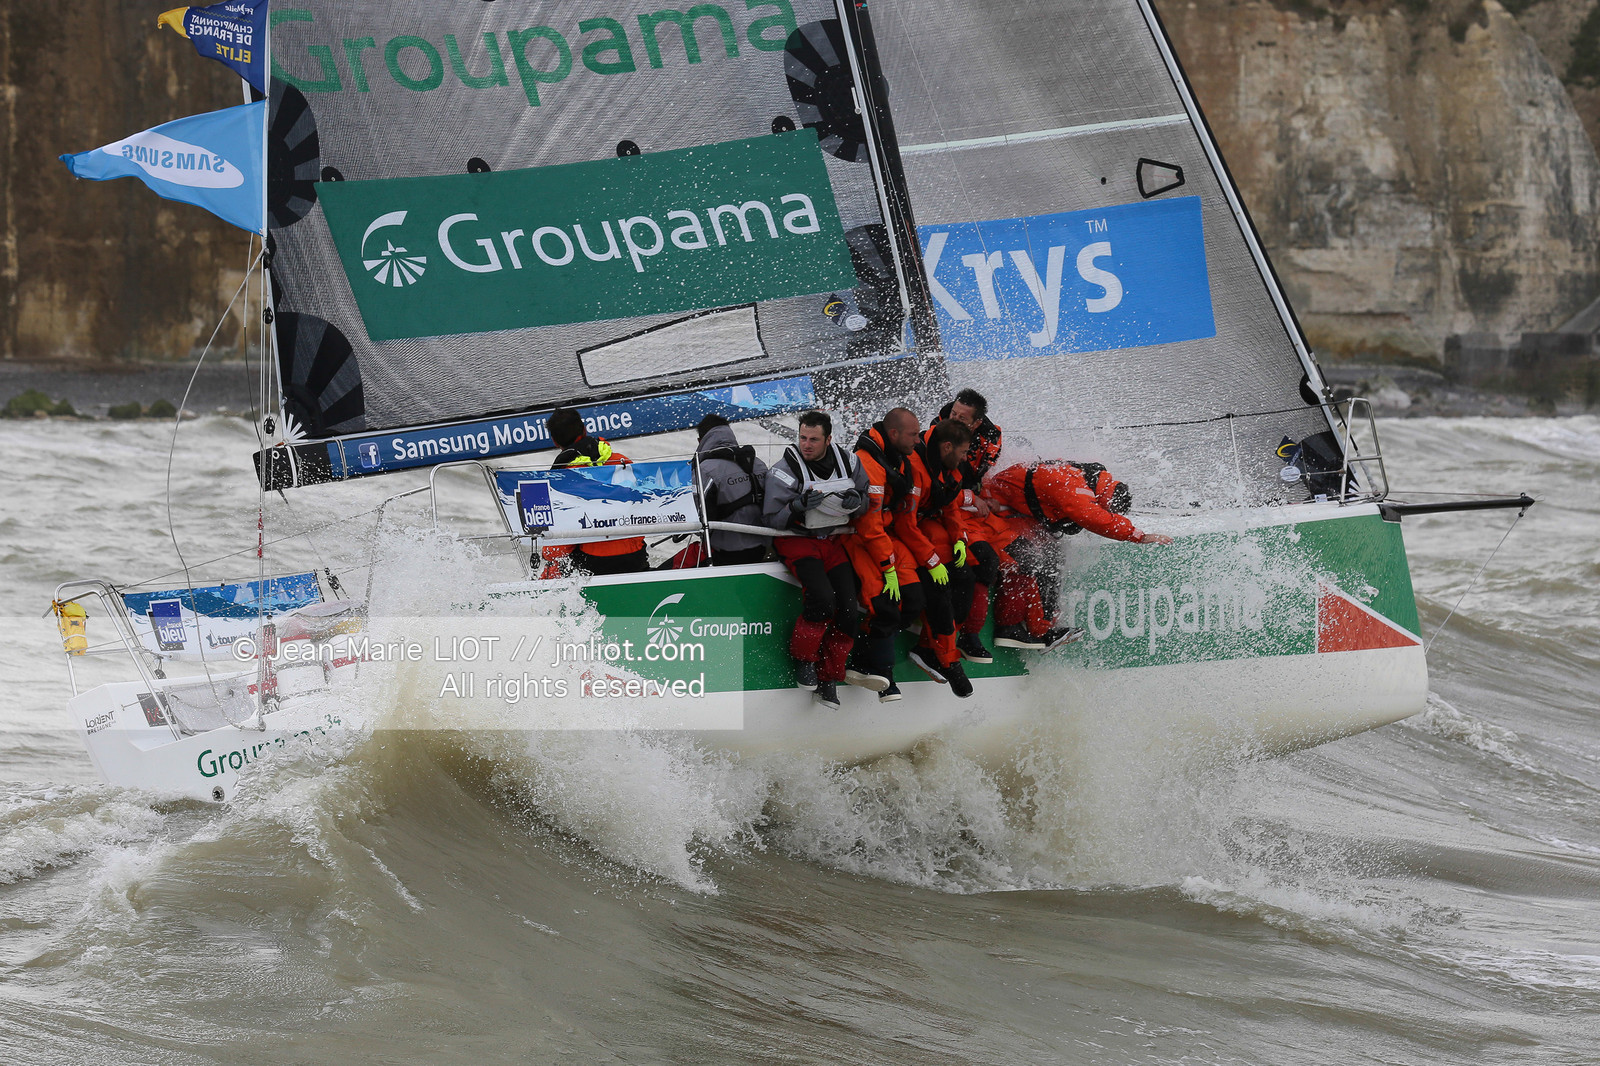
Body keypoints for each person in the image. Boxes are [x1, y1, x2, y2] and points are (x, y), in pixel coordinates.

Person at [983, 460, 1172, 649]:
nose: (1106, 513)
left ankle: (1044, 628)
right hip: (996, 505)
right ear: (1107, 501)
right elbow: (1092, 517)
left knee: (1052, 557)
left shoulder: (1087, 481)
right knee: (1031, 557)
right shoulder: (1075, 487)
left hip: (1015, 509)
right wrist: (1139, 535)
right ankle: (1014, 628)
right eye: (1109, 511)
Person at [762, 410, 870, 709]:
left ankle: (829, 677)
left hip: (832, 541)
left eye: (813, 439)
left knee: (849, 609)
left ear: (828, 439)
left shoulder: (850, 462)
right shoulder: (782, 471)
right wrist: (796, 506)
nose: (806, 445)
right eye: (802, 438)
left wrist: (858, 503)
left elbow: (867, 497)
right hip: (797, 542)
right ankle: (804, 661)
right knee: (822, 600)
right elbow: (770, 517)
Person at [845, 407, 930, 703]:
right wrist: (887, 565)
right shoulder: (869, 462)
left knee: (915, 599)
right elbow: (868, 525)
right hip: (860, 540)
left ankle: (865, 660)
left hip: (886, 538)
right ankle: (881, 671)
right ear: (893, 434)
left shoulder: (901, 460)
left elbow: (902, 514)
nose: (918, 441)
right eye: (913, 434)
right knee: (885, 602)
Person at [894, 418, 976, 697]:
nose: (966, 458)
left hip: (924, 528)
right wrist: (931, 561)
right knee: (938, 587)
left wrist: (960, 540)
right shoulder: (916, 469)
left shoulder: (951, 468)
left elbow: (952, 509)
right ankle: (949, 661)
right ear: (947, 447)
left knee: (965, 577)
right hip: (898, 532)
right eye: (964, 452)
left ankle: (931, 648)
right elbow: (905, 524)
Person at [543, 407, 648, 576]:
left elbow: (562, 541)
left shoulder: (562, 478)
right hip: (634, 557)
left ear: (555, 442)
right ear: (584, 430)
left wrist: (548, 554)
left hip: (594, 563)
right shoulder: (623, 462)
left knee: (555, 564)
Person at [692, 414, 770, 566]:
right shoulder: (758, 463)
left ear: (700, 441)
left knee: (670, 567)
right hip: (763, 547)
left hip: (726, 553)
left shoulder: (705, 470)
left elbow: (699, 518)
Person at [929, 387, 1004, 489]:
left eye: (962, 418)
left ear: (976, 423)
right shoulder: (937, 429)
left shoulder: (991, 439)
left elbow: (985, 474)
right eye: (954, 414)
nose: (954, 420)